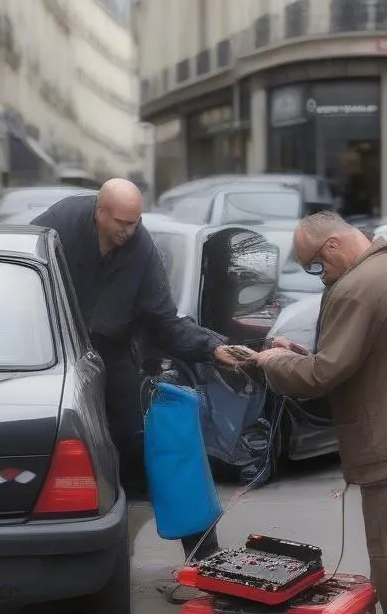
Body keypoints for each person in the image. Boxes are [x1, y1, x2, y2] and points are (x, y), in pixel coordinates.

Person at [241, 211, 387, 614]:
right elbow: (354, 352)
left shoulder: (356, 286)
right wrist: (295, 353)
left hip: (386, 434)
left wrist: (270, 364)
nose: (320, 276)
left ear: (332, 246)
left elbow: (323, 375)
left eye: (316, 266)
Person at [32, 179, 239, 560]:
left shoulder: (141, 248)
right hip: (52, 352)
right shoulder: (57, 225)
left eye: (135, 222)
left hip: (111, 355)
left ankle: (206, 558)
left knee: (153, 442)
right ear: (99, 211)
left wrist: (214, 347)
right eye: (121, 222)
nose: (129, 231)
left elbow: (165, 321)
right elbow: (23, 284)